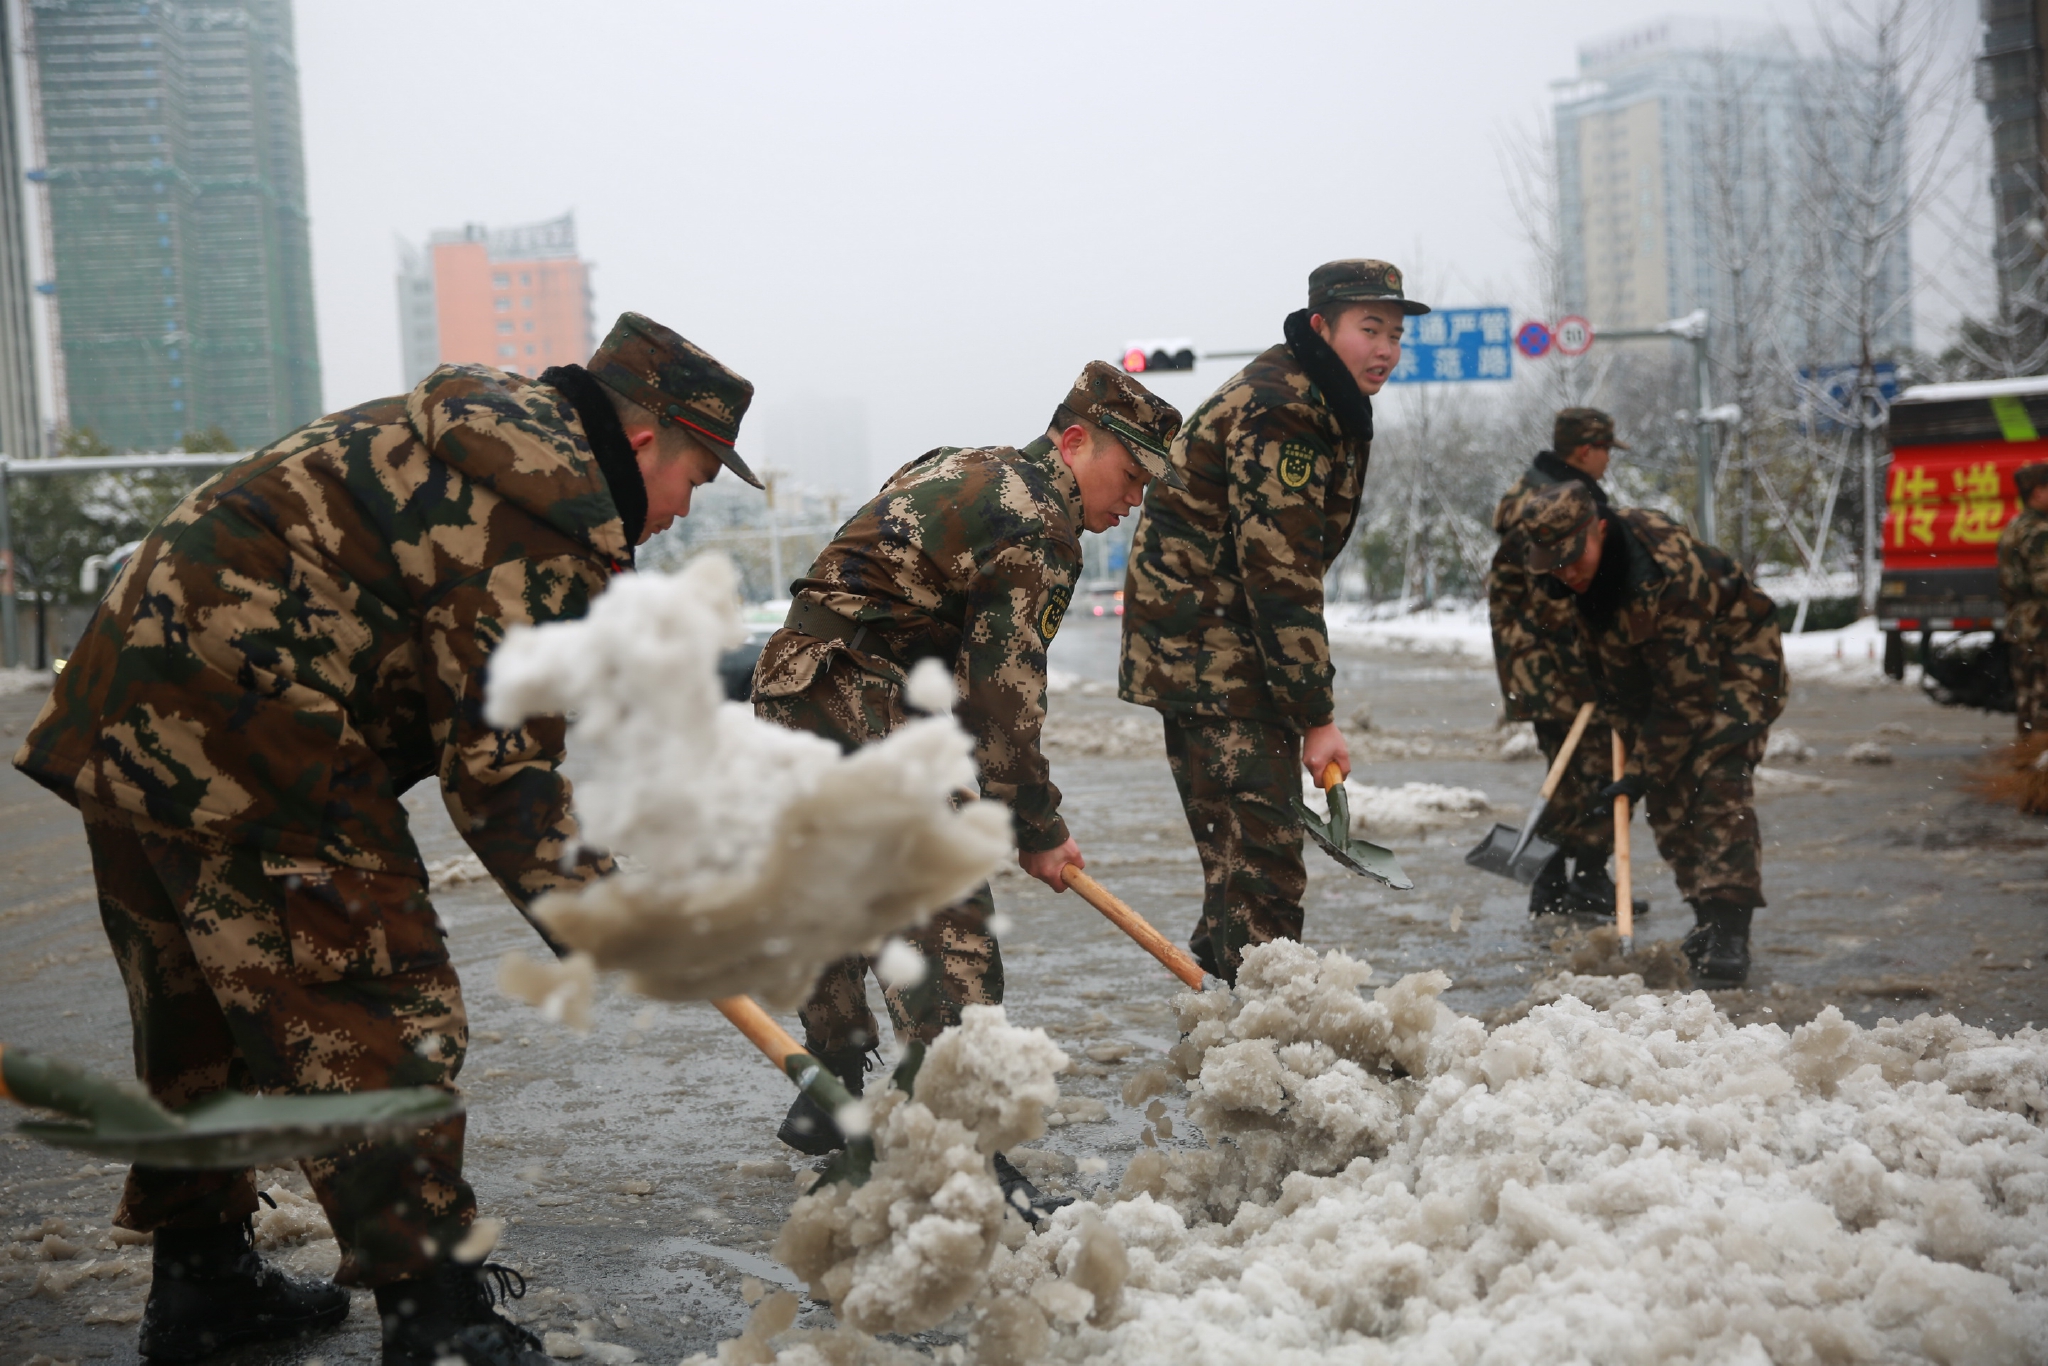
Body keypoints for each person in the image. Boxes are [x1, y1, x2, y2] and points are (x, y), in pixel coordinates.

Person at [13, 314, 757, 1366]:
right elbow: (501, 773)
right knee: (369, 988)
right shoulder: (549, 508)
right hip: (251, 718)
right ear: (642, 446)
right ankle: (433, 1315)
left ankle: (204, 1279)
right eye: (695, 478)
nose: (681, 512)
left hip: (128, 689)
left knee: (201, 1006)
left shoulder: (484, 440)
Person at [753, 361, 1182, 1185]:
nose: (1133, 502)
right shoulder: (1042, 527)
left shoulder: (959, 462)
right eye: (1129, 476)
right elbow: (1004, 709)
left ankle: (835, 1085)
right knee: (949, 927)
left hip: (789, 684)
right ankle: (963, 1160)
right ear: (1074, 440)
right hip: (864, 698)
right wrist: (1038, 829)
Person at [1119, 259, 1421, 983]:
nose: (1385, 349)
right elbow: (1280, 575)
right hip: (1210, 654)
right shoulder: (1284, 406)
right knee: (1265, 867)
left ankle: (1225, 1012)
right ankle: (1261, 1050)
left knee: (1245, 859)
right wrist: (1316, 716)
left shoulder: (1319, 396)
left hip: (1222, 650)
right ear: (1322, 327)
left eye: (1395, 334)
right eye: (1368, 329)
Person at [1521, 482, 1786, 987]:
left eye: (1573, 558)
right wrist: (1630, 764)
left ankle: (1730, 927)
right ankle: (1705, 916)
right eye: (1554, 563)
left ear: (1599, 529)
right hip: (1656, 672)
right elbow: (1609, 669)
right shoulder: (1569, 578)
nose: (1567, 572)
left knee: (1714, 778)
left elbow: (1687, 699)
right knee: (1667, 795)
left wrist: (1638, 773)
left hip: (1736, 661)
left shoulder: (1667, 576)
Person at [1488, 407, 1645, 919]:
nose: (1607, 462)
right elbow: (1552, 598)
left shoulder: (1546, 492)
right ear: (1585, 451)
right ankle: (1581, 878)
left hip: (1544, 657)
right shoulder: (1548, 504)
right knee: (1594, 765)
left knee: (1575, 769)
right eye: (1604, 451)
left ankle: (1559, 881)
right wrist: (1595, 667)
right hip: (1550, 659)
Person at [1999, 460, 2048, 736]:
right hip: (2041, 628)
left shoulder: (2016, 526)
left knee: (2028, 704)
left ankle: (2028, 765)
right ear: (2037, 492)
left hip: (2022, 626)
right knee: (2043, 707)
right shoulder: (2039, 531)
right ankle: (2040, 772)